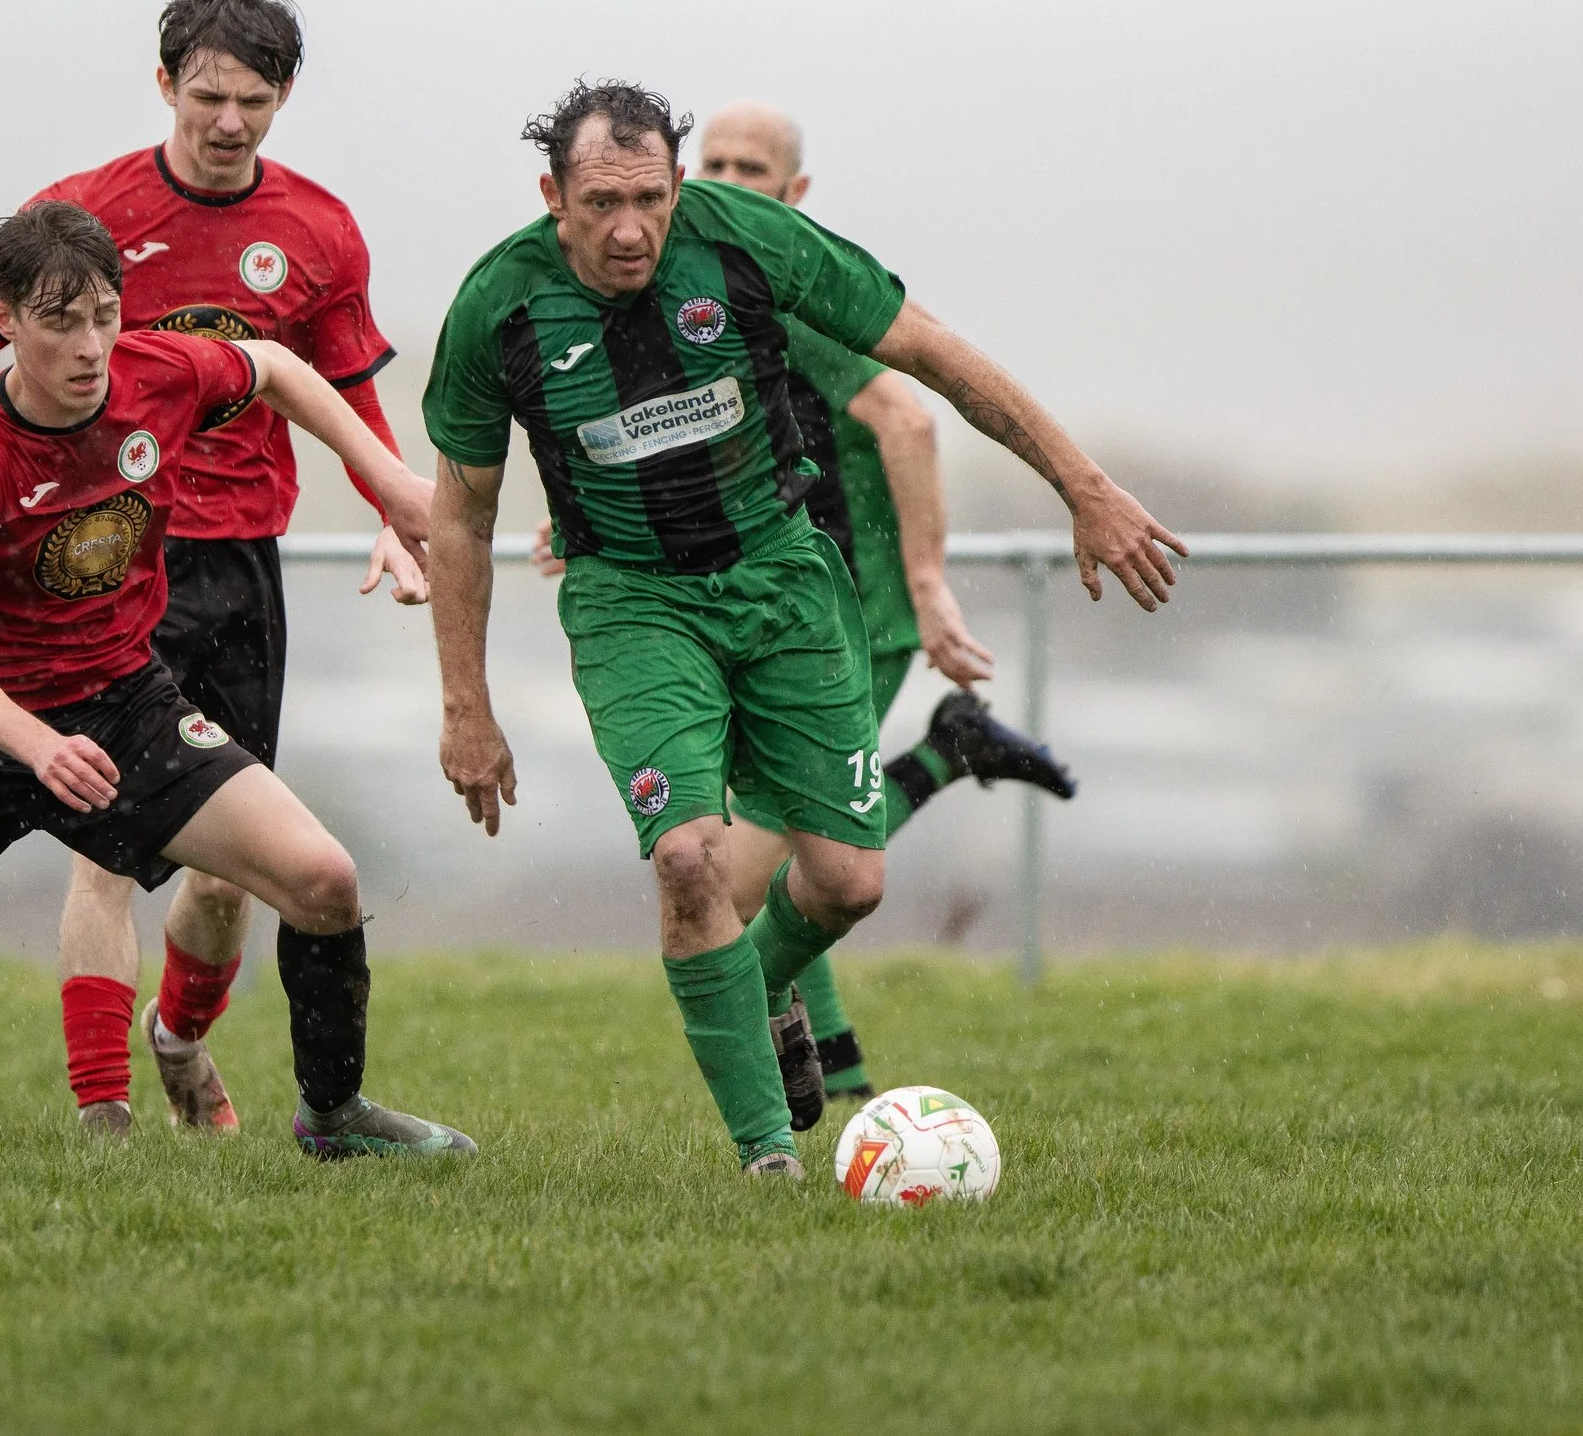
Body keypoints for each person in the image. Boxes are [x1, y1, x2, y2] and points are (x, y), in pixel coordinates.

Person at [423, 81, 1184, 1179]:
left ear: (678, 184)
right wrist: (466, 706)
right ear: (553, 194)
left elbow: (929, 357)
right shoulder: (498, 304)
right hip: (631, 602)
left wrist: (1082, 485)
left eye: (651, 197)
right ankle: (766, 1156)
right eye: (600, 202)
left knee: (846, 883)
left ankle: (765, 981)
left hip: (784, 582)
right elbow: (459, 513)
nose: (630, 227)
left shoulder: (751, 243)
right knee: (691, 858)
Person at [0, 200, 472, 1161]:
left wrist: (384, 477)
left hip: (121, 704)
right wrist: (41, 747)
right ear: (4, 319)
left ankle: (334, 1120)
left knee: (324, 881)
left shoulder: (154, 374)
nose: (91, 346)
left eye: (104, 314)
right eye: (60, 322)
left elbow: (274, 367)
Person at [0, 0, 418, 1137]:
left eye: (253, 99)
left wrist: (396, 515)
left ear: (285, 95)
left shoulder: (316, 229)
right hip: (101, 564)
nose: (227, 122)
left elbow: (343, 393)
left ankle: (180, 1038)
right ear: (164, 84)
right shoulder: (86, 215)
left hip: (239, 561)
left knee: (226, 867)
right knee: (105, 848)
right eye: (205, 95)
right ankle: (102, 1120)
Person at [533, 99, 1079, 1105]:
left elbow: (907, 421)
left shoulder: (784, 293)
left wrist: (924, 585)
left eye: (756, 168)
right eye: (719, 164)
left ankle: (939, 764)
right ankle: (831, 1070)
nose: (734, 183)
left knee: (758, 875)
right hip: (757, 607)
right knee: (781, 861)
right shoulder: (696, 289)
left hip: (840, 613)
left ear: (796, 193)